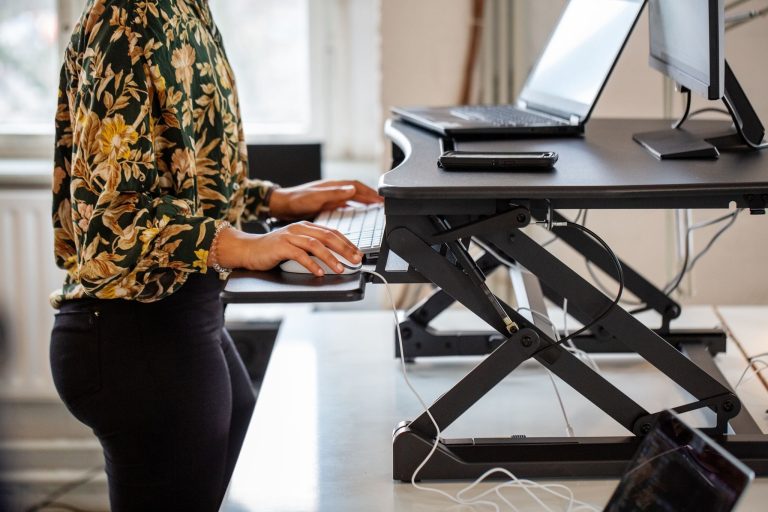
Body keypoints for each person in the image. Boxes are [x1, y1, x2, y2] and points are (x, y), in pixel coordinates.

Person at [49, 0, 381, 510]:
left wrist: (277, 200)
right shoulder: (125, 18)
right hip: (133, 328)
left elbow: (187, 181)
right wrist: (245, 245)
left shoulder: (188, 9)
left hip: (182, 314)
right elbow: (112, 223)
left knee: (238, 441)